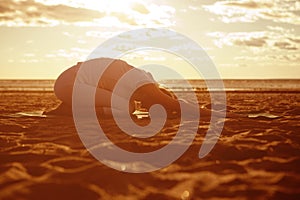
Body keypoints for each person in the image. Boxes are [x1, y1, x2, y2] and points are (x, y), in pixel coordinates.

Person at [46, 57, 211, 118]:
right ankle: (66, 110)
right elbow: (174, 104)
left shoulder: (140, 81)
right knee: (125, 108)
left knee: (127, 106)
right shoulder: (143, 82)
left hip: (72, 82)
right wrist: (212, 114)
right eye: (154, 107)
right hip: (70, 84)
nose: (147, 108)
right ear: (156, 96)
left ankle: (68, 106)